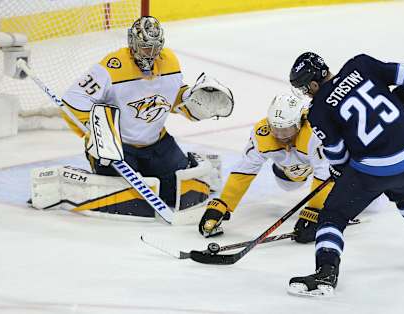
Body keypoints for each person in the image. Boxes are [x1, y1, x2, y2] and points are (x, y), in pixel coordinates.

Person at [286, 52, 404, 296]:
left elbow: (339, 157)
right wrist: (400, 103)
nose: (306, 93)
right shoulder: (360, 65)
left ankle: (326, 273)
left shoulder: (319, 110)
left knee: (333, 214)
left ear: (313, 83)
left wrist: (341, 174)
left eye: (304, 88)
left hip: (377, 169)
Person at [59, 16, 233, 215]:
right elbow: (73, 100)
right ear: (132, 43)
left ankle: (192, 162)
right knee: (130, 202)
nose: (150, 53)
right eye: (145, 47)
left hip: (157, 144)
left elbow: (172, 96)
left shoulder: (170, 61)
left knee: (178, 194)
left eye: (155, 47)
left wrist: (190, 99)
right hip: (120, 148)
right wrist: (97, 135)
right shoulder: (112, 66)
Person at [198, 93, 334, 243]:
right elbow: (245, 169)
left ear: (299, 123)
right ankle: (289, 165)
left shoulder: (313, 132)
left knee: (339, 176)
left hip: (332, 161)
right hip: (296, 166)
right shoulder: (262, 134)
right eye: (275, 129)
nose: (280, 135)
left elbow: (325, 173)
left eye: (286, 130)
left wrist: (314, 210)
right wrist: (223, 204)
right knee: (288, 184)